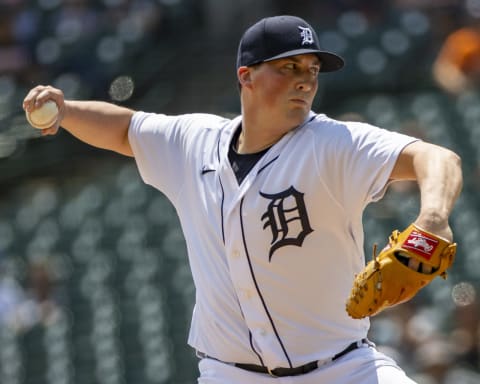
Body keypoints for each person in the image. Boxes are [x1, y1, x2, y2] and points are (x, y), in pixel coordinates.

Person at [23, 15, 462, 384]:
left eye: (311, 69)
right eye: (289, 67)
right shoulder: (194, 141)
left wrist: (433, 218)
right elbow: (125, 129)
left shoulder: (333, 144)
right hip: (230, 375)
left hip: (343, 369)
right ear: (246, 75)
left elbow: (436, 157)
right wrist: (66, 111)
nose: (305, 81)